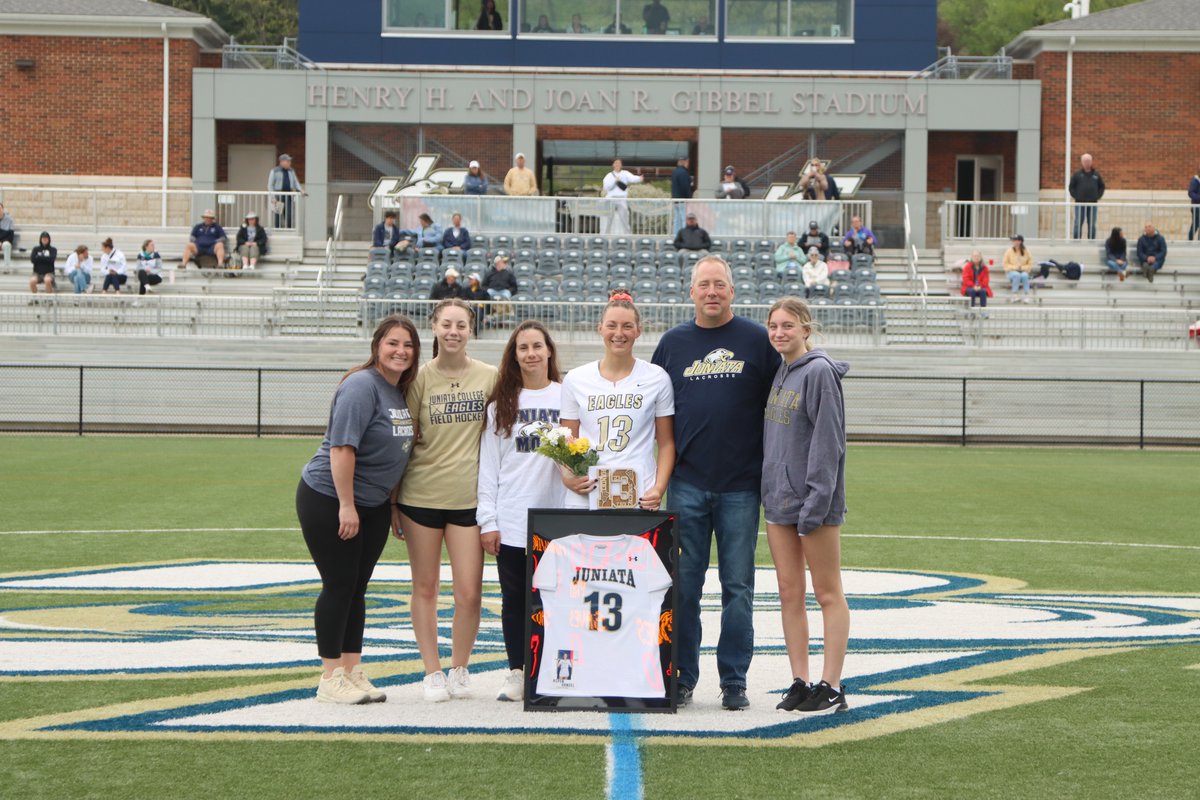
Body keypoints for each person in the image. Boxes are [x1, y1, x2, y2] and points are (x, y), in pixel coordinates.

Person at [651, 256, 779, 710]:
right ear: (691, 292)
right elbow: (657, 413)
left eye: (719, 284)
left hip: (741, 486)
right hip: (686, 483)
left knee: (738, 586)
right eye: (703, 284)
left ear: (732, 291)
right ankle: (682, 675)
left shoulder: (757, 341)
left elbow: (778, 406)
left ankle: (734, 681)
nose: (711, 291)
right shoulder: (671, 344)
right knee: (683, 584)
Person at [297, 314, 418, 704]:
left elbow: (396, 455)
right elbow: (341, 448)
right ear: (377, 346)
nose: (400, 351)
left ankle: (352, 670)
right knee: (339, 585)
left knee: (358, 589)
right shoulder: (361, 385)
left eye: (408, 345)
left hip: (374, 503)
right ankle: (329, 676)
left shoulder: (397, 391)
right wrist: (346, 505)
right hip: (330, 497)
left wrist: (391, 504)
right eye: (393, 343)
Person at [396, 299, 499, 702]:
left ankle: (459, 667)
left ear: (470, 330)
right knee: (425, 587)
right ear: (434, 327)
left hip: (469, 501)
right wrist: (393, 504)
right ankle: (432, 671)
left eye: (461, 324)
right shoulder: (419, 378)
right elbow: (403, 442)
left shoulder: (489, 377)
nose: (453, 331)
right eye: (447, 324)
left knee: (469, 592)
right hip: (421, 496)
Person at [764, 296, 850, 716]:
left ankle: (831, 684)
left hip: (813, 504)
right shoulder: (781, 373)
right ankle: (800, 680)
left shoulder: (818, 372)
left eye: (788, 326)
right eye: (774, 326)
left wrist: (815, 503)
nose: (780, 332)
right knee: (788, 592)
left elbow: (829, 443)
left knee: (827, 592)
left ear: (806, 329)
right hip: (779, 501)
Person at [477, 321, 566, 702]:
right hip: (513, 517)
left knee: (554, 598)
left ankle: (551, 667)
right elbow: (489, 467)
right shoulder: (501, 405)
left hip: (558, 519)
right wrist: (489, 520)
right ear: (514, 356)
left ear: (549, 351)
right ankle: (517, 670)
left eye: (536, 346)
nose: (530, 353)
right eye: (522, 348)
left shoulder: (569, 396)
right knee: (514, 600)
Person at [560, 293, 675, 515]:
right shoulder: (576, 378)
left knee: (637, 551)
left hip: (641, 494)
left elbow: (667, 443)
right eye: (612, 325)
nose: (619, 334)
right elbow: (567, 439)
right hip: (587, 494)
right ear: (600, 328)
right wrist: (568, 478)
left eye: (627, 326)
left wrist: (658, 488)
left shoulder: (657, 378)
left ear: (639, 330)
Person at [601, 158, 643, 235]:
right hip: (611, 199)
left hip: (622, 199)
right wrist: (614, 181)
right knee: (608, 218)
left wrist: (639, 178)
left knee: (624, 218)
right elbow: (606, 187)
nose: (617, 165)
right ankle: (605, 234)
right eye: (616, 163)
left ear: (621, 165)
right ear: (613, 165)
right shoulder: (609, 175)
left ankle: (627, 235)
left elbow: (633, 178)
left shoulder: (625, 173)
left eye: (619, 163)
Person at [1068, 153, 1104, 240]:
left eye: (1088, 161)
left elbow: (1102, 186)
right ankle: (1076, 241)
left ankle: (1091, 240)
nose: (1086, 163)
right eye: (1085, 161)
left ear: (1091, 162)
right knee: (1078, 222)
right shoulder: (1077, 175)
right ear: (1082, 162)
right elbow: (1071, 187)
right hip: (1080, 203)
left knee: (1092, 223)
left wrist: (1097, 196)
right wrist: (1076, 196)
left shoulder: (1096, 175)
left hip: (1093, 204)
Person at [268, 153, 303, 229]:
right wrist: (273, 197)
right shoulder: (275, 171)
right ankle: (277, 230)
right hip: (278, 195)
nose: (289, 163)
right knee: (278, 215)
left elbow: (295, 182)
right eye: (287, 161)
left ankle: (289, 229)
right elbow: (270, 185)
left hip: (288, 195)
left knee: (289, 215)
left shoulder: (291, 171)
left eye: (289, 161)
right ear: (281, 162)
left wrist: (300, 190)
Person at [1003, 233, 1033, 303]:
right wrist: (1015, 267)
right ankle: (1014, 294)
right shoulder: (1009, 251)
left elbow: (1030, 265)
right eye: (1014, 241)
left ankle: (1027, 295)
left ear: (1020, 241)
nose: (1015, 242)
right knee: (1016, 275)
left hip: (1023, 271)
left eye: (1017, 241)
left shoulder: (1026, 251)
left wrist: (1022, 268)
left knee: (1025, 275)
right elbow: (1005, 265)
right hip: (1011, 272)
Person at [961, 250, 993, 315]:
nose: (976, 257)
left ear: (981, 257)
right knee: (972, 291)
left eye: (978, 256)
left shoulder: (984, 268)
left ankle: (983, 312)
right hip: (969, 287)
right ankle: (971, 311)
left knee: (983, 291)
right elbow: (965, 279)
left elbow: (986, 280)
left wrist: (980, 286)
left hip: (981, 287)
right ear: (971, 257)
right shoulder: (967, 267)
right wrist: (973, 286)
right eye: (974, 256)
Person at [29, 232, 56, 296]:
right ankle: (34, 299)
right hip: (37, 273)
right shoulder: (35, 249)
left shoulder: (53, 249)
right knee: (32, 281)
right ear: (40, 239)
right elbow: (33, 260)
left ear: (49, 239)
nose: (45, 239)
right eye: (43, 238)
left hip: (49, 272)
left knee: (47, 280)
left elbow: (51, 260)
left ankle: (49, 299)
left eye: (46, 238)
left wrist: (39, 257)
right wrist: (46, 258)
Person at [671, 156, 693, 233]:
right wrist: (689, 198)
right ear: (685, 162)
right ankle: (685, 236)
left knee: (677, 219)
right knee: (684, 219)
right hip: (683, 199)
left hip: (675, 199)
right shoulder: (684, 172)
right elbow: (685, 187)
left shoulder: (675, 171)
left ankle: (676, 235)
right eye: (687, 162)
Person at [0, 202, 14, 270]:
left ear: (3, 209)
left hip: (5, 242)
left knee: (7, 245)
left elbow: (11, 236)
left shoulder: (9, 220)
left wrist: (1, 242)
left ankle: (6, 268)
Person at [1189, 171, 1200, 241]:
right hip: (1197, 207)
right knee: (1196, 224)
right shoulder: (1195, 181)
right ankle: (1190, 240)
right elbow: (1191, 193)